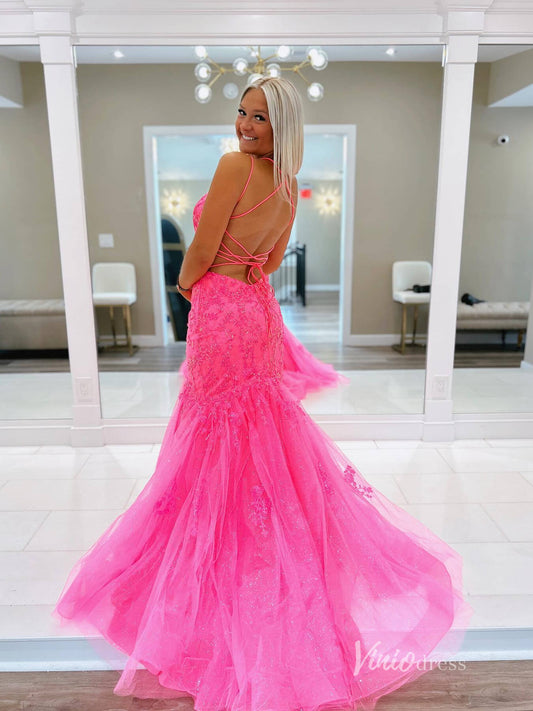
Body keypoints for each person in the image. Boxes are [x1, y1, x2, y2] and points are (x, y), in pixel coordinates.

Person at [52, 77, 473, 711]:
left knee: (214, 427)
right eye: (242, 113)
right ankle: (261, 535)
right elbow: (271, 262)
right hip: (255, 306)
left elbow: (200, 247)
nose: (245, 125)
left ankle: (224, 556)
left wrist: (189, 286)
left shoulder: (234, 167)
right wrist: (241, 267)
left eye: (259, 118)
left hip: (221, 305)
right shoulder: (287, 186)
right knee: (253, 423)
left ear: (282, 125)